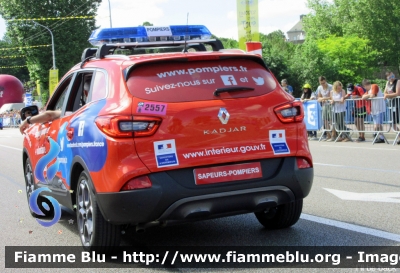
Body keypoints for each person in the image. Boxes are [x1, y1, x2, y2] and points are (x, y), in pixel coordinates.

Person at [362, 79, 386, 143]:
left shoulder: (374, 86)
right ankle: (381, 137)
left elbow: (373, 95)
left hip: (379, 109)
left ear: (365, 86)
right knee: (378, 124)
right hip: (374, 109)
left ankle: (375, 134)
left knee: (377, 125)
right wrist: (368, 95)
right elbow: (363, 97)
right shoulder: (368, 91)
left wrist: (368, 96)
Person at [383, 72, 400, 144]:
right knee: (392, 123)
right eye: (390, 77)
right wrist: (387, 95)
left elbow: (397, 93)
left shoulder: (398, 81)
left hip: (398, 103)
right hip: (391, 104)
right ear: (387, 78)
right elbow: (385, 93)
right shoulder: (387, 83)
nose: (392, 78)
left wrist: (388, 95)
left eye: (392, 76)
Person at [316, 76, 333, 140]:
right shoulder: (319, 87)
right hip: (324, 105)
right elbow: (319, 97)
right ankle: (328, 135)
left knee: (331, 120)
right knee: (325, 120)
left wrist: (323, 98)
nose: (322, 84)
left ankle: (334, 135)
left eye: (323, 83)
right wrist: (321, 99)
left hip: (330, 105)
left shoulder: (330, 86)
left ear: (325, 81)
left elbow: (332, 97)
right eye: (321, 83)